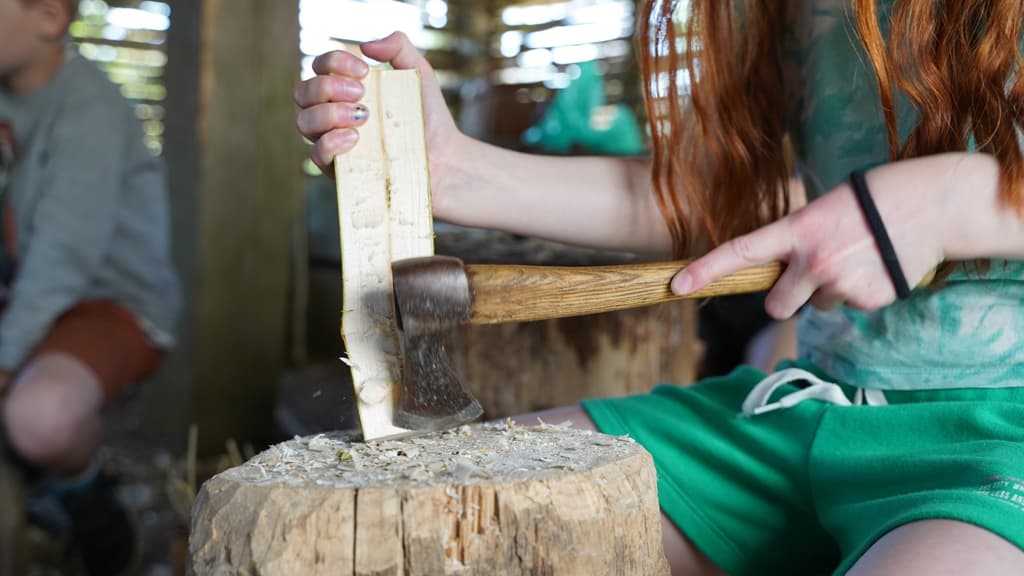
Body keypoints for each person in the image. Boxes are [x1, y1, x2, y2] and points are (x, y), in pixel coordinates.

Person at [295, 0, 1024, 573]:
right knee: (397, 520)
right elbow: (721, 198)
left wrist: (953, 202)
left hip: (1001, 438)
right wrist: (459, 172)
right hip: (801, 408)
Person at [0, 0, 180, 573]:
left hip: (106, 305)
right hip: (24, 298)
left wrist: (4, 360)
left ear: (49, 17)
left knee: (40, 418)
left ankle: (89, 502)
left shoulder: (88, 109)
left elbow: (62, 260)